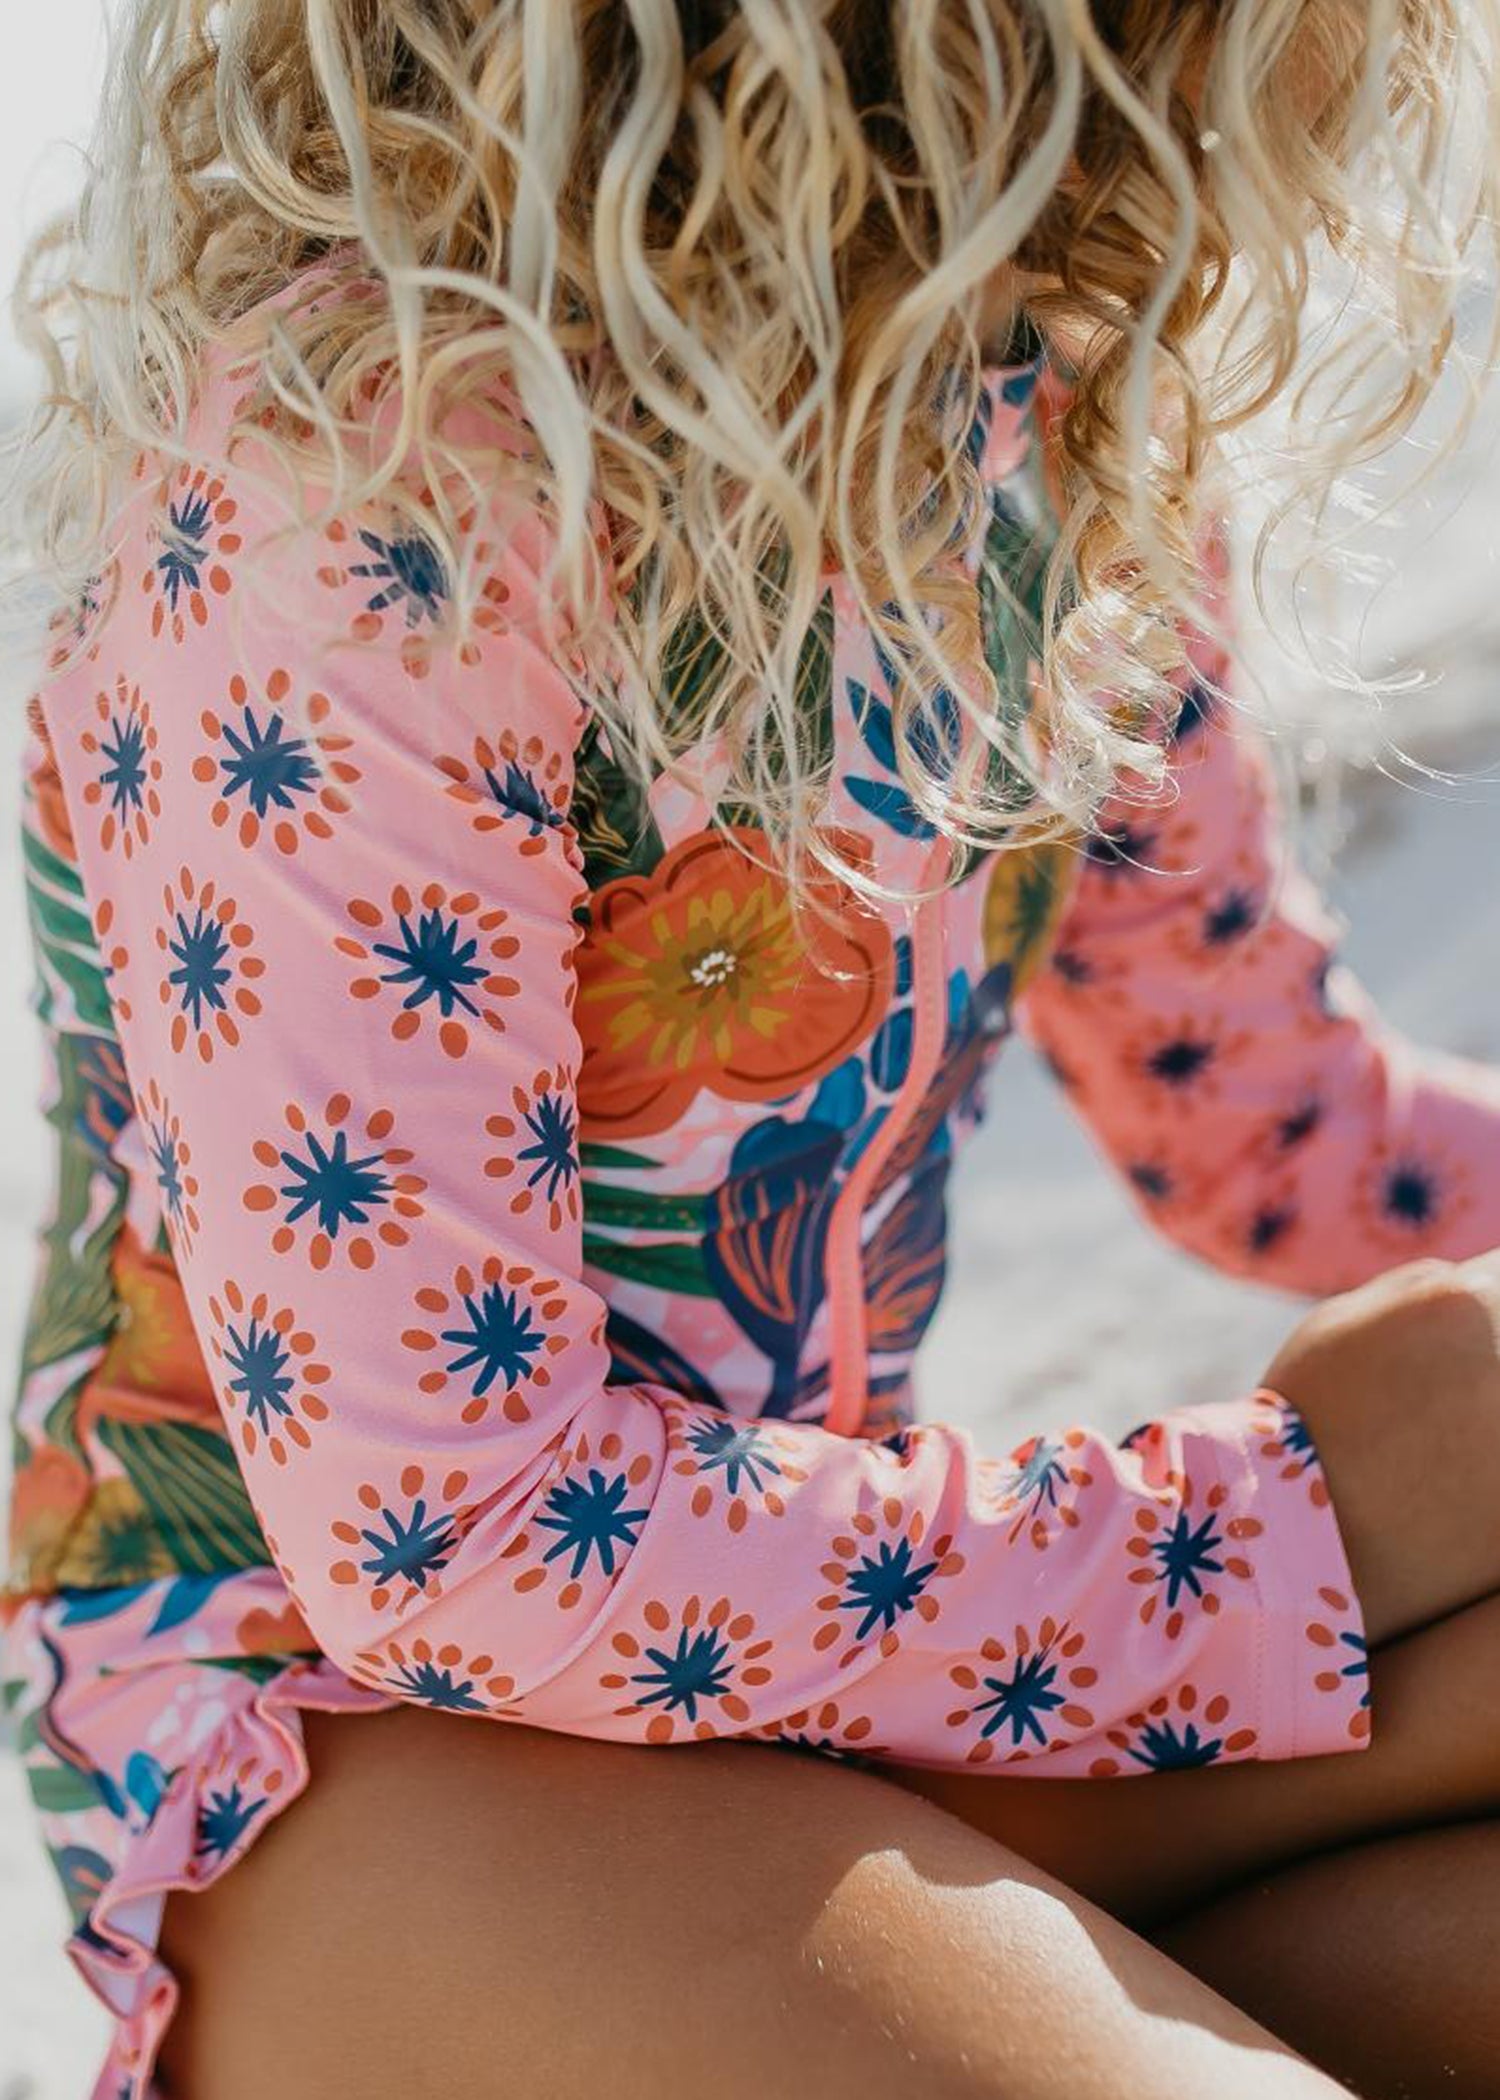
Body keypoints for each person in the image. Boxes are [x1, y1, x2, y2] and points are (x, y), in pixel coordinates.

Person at [4, 3, 1500, 2096]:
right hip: (347, 1725)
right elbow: (456, 1535)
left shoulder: (1043, 422)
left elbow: (1275, 1126)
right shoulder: (357, 494)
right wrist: (1275, 1540)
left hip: (789, 1633)